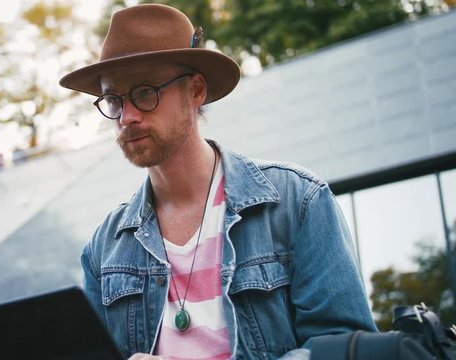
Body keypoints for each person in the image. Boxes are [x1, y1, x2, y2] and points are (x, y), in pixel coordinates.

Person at [59, 4, 377, 360]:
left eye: (145, 93)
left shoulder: (297, 201)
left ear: (195, 91)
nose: (127, 116)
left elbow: (348, 349)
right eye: (114, 99)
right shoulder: (103, 250)